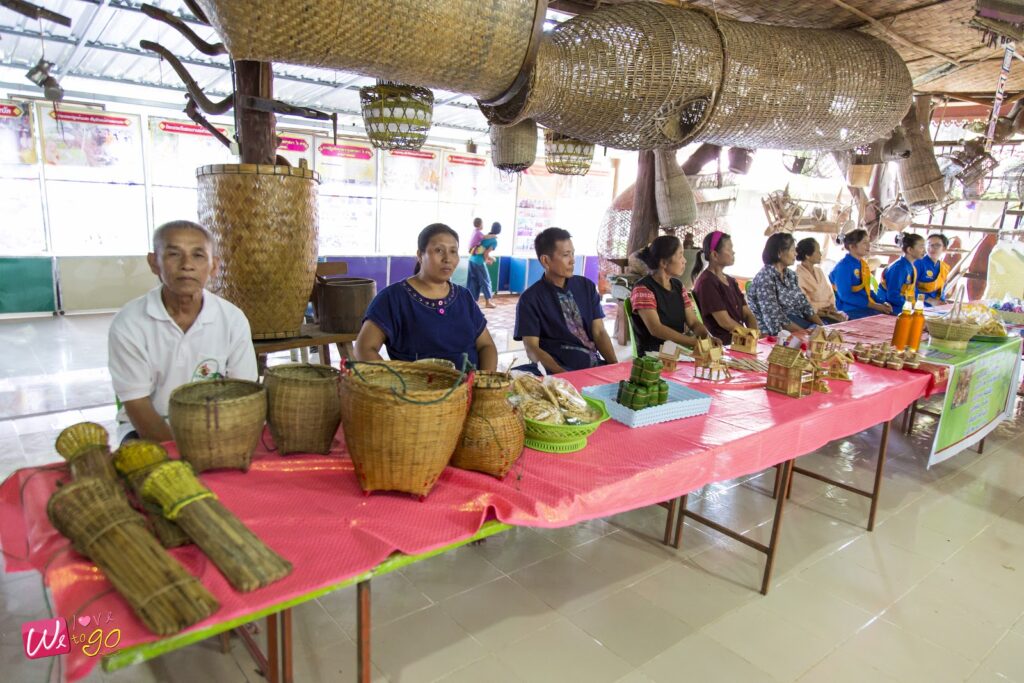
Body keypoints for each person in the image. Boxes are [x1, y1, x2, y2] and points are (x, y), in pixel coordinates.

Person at [108, 220, 257, 444]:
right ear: (154, 263)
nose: (187, 265)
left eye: (198, 255)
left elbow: (244, 393)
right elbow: (136, 404)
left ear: (214, 266)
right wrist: (181, 452)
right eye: (174, 254)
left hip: (214, 427)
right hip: (146, 429)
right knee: (151, 472)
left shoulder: (232, 319)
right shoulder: (129, 323)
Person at [355, 223, 497, 371]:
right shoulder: (393, 298)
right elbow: (364, 349)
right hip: (419, 391)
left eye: (453, 251)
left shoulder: (464, 297)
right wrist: (396, 383)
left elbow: (486, 346)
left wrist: (484, 384)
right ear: (420, 255)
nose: (447, 258)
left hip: (471, 389)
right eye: (439, 250)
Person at [514, 227, 617, 373]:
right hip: (558, 371)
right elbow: (532, 348)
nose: (572, 261)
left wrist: (614, 366)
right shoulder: (530, 299)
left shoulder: (586, 286)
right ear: (545, 261)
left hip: (593, 366)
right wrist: (561, 374)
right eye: (566, 255)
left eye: (573, 254)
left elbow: (599, 332)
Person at [629, 235, 709, 354]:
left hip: (676, 351)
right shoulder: (643, 289)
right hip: (653, 355)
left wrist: (706, 337)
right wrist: (692, 342)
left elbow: (693, 322)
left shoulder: (678, 286)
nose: (684, 260)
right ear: (664, 263)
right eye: (680, 255)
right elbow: (656, 329)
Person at [747, 233, 824, 338]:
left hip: (797, 324)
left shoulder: (791, 275)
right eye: (792, 250)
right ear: (779, 253)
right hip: (776, 332)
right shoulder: (765, 278)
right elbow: (775, 319)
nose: (796, 254)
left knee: (825, 333)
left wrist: (823, 328)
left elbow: (804, 305)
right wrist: (806, 335)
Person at [691, 230, 760, 343]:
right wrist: (748, 336)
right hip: (724, 344)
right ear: (714, 255)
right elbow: (725, 322)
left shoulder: (731, 281)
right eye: (729, 248)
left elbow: (747, 314)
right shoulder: (707, 282)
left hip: (739, 340)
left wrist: (754, 335)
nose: (733, 252)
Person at [829, 229, 893, 319]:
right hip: (848, 310)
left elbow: (867, 290)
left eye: (868, 242)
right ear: (852, 247)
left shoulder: (862, 264)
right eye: (864, 243)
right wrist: (873, 305)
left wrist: (882, 303)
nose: (868, 245)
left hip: (864, 307)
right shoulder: (844, 267)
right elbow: (845, 296)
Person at [795, 237, 847, 323]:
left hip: (829, 312)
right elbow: (805, 304)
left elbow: (830, 292)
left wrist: (831, 306)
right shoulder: (797, 275)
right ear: (808, 255)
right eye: (818, 251)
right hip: (813, 316)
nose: (820, 254)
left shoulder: (819, 271)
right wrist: (823, 310)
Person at [879, 232, 925, 311]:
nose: (924, 251)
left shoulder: (911, 266)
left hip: (904, 307)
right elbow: (893, 296)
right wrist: (910, 306)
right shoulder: (899, 268)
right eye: (921, 247)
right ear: (909, 250)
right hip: (891, 309)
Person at [465, 217, 497, 309]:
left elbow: (481, 250)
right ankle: (488, 302)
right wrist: (488, 260)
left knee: (473, 282)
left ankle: (471, 302)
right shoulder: (494, 240)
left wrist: (488, 258)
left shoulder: (479, 234)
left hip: (471, 260)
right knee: (486, 281)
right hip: (479, 262)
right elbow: (485, 253)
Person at [915, 233, 951, 306]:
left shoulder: (945, 267)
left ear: (944, 248)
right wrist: (929, 300)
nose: (932, 248)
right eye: (929, 244)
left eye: (937, 245)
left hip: (935, 307)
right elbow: (909, 288)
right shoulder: (918, 263)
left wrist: (942, 302)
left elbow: (941, 291)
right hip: (917, 305)